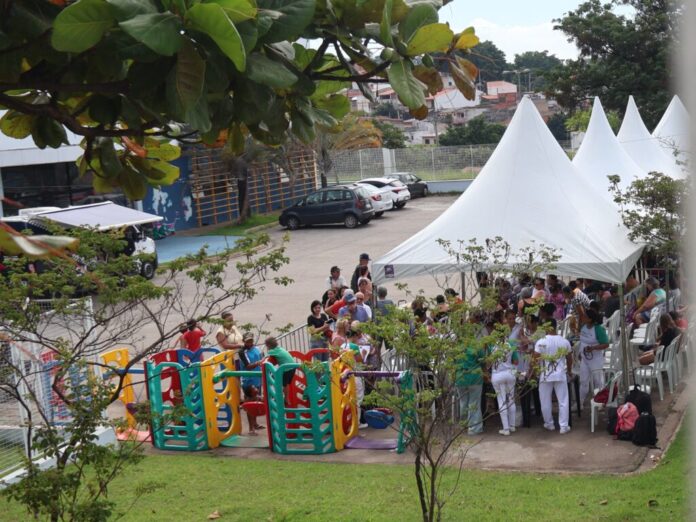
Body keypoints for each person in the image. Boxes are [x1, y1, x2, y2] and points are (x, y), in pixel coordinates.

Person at [529, 318, 573, 434]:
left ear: (546, 327)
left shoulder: (541, 342)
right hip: (560, 374)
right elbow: (569, 358)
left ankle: (549, 424)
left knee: (545, 400)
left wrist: (534, 372)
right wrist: (569, 371)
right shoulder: (564, 341)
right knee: (563, 401)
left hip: (545, 374)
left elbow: (535, 359)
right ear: (556, 326)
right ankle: (563, 426)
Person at [577, 308, 610, 405]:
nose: (583, 317)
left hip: (595, 360)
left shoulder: (598, 329)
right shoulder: (583, 327)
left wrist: (593, 348)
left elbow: (606, 344)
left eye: (585, 316)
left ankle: (601, 402)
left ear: (590, 319)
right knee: (583, 381)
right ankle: (580, 403)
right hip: (584, 359)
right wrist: (580, 353)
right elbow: (582, 341)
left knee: (598, 381)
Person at [490, 339, 518, 436]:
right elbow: (516, 361)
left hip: (497, 375)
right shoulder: (511, 343)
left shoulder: (491, 344)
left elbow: (488, 362)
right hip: (509, 374)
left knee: (501, 401)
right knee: (511, 399)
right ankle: (512, 426)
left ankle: (506, 429)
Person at [238, 332, 265, 435]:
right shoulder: (242, 352)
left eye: (251, 340)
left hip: (257, 378)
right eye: (247, 341)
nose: (249, 342)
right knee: (250, 403)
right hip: (248, 380)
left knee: (256, 402)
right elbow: (248, 366)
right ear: (244, 341)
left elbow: (263, 357)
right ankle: (251, 428)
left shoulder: (257, 348)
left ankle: (255, 424)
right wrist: (259, 362)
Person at [455, 343, 485, 435]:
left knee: (463, 402)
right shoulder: (476, 347)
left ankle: (463, 425)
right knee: (474, 403)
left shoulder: (457, 348)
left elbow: (453, 364)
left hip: (460, 378)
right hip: (475, 377)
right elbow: (483, 361)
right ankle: (474, 428)